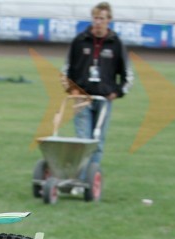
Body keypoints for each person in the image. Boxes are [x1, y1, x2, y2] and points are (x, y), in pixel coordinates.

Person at [61, 2, 132, 173]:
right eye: (95, 18)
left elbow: (127, 76)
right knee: (83, 140)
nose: (98, 22)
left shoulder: (116, 44)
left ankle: (91, 177)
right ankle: (80, 177)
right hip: (82, 98)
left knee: (98, 140)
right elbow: (66, 71)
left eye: (102, 18)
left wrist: (117, 92)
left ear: (109, 20)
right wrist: (72, 90)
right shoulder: (80, 41)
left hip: (104, 99)